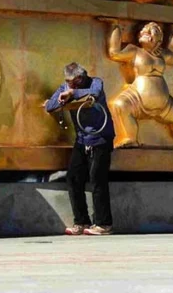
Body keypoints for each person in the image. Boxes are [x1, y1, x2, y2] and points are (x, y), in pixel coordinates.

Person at [45, 62, 115, 236]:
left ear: (81, 78)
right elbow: (50, 106)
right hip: (82, 139)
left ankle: (104, 223)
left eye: (73, 81)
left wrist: (73, 93)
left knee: (97, 179)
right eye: (68, 82)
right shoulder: (65, 87)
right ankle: (81, 221)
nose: (70, 84)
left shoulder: (95, 82)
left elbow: (95, 93)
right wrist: (62, 99)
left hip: (100, 138)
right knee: (73, 178)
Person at [107, 21, 173, 148]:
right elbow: (115, 53)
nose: (145, 31)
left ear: (159, 40)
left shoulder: (162, 53)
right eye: (143, 30)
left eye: (153, 30)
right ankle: (131, 138)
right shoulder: (135, 50)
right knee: (120, 105)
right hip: (137, 100)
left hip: (164, 104)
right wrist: (115, 25)